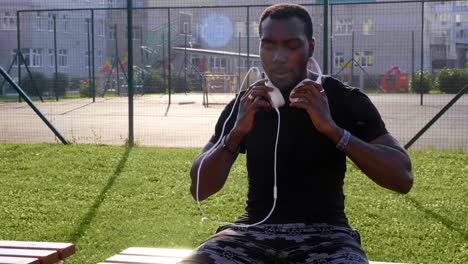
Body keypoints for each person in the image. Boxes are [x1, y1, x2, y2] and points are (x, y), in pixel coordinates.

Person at [182, 3, 413, 263]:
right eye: (269, 45)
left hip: (328, 236)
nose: (278, 57)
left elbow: (402, 178)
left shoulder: (343, 99)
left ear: (310, 48)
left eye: (291, 46)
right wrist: (235, 135)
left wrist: (334, 131)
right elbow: (199, 188)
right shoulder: (247, 103)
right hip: (251, 232)